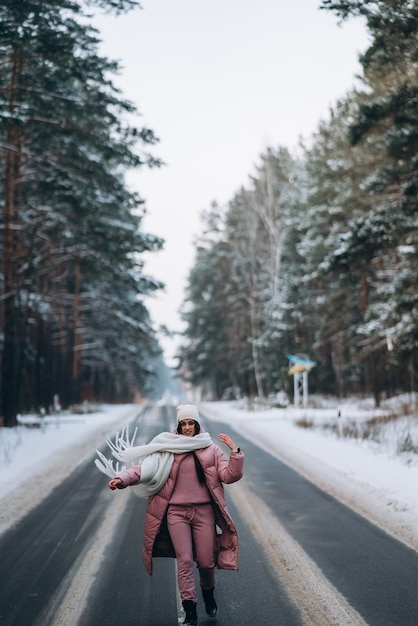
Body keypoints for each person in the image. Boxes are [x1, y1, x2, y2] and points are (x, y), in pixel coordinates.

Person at [103, 403, 244, 626]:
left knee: (206, 562)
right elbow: (143, 469)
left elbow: (228, 476)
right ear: (178, 426)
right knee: (185, 560)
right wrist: (123, 479)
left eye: (191, 423)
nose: (187, 427)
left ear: (197, 424)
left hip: (204, 512)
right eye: (183, 424)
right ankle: (190, 611)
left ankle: (208, 593)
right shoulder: (168, 447)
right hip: (176, 513)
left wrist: (235, 453)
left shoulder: (210, 449)